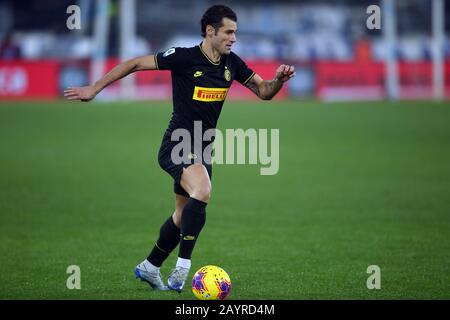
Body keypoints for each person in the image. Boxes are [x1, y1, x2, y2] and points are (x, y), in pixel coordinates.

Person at [64, 5, 295, 293]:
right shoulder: (184, 57)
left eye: (235, 32)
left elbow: (264, 92)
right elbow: (135, 63)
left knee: (181, 214)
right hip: (178, 142)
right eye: (228, 32)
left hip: (203, 147)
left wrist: (278, 82)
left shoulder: (232, 63)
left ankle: (150, 266)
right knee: (203, 191)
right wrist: (94, 89)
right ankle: (182, 269)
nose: (234, 38)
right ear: (210, 31)